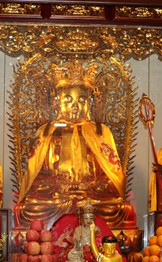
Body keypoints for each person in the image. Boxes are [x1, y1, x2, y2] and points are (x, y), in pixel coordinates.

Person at [14, 62, 137, 231]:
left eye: (81, 100)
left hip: (91, 197)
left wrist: (90, 187)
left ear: (90, 104)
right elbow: (35, 177)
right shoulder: (46, 132)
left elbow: (112, 177)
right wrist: (58, 185)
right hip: (56, 197)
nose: (75, 106)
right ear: (57, 102)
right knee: (28, 207)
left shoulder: (100, 132)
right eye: (68, 100)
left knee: (121, 208)